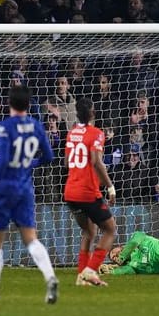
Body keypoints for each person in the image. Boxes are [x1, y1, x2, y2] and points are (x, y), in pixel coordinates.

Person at [0, 86, 58, 305]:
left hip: (6, 189)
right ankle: (50, 276)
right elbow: (49, 157)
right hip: (26, 188)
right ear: (28, 105)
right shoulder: (37, 126)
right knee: (31, 238)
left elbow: (1, 161)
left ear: (9, 103)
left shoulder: (3, 127)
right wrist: (29, 164)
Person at [64, 98, 117, 287]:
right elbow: (96, 161)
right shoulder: (96, 134)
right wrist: (109, 186)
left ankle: (81, 276)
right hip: (87, 192)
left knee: (89, 231)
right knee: (110, 229)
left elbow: (66, 162)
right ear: (93, 113)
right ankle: (91, 269)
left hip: (70, 191)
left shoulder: (71, 134)